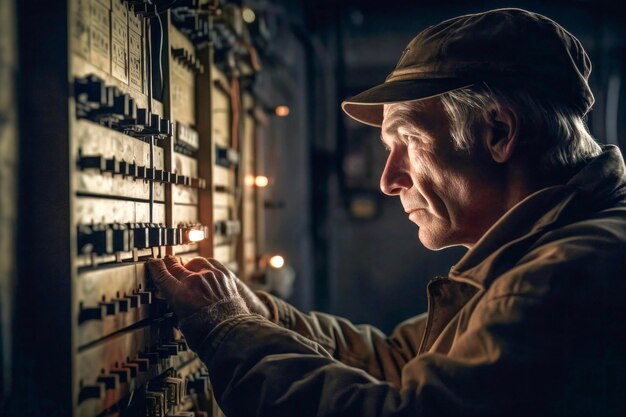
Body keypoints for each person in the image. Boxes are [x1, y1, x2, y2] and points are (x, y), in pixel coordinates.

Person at [147, 8, 626, 417]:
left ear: (498, 131)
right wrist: (259, 314)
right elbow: (400, 360)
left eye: (410, 141)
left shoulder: (562, 277)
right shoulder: (542, 248)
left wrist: (228, 329)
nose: (389, 180)